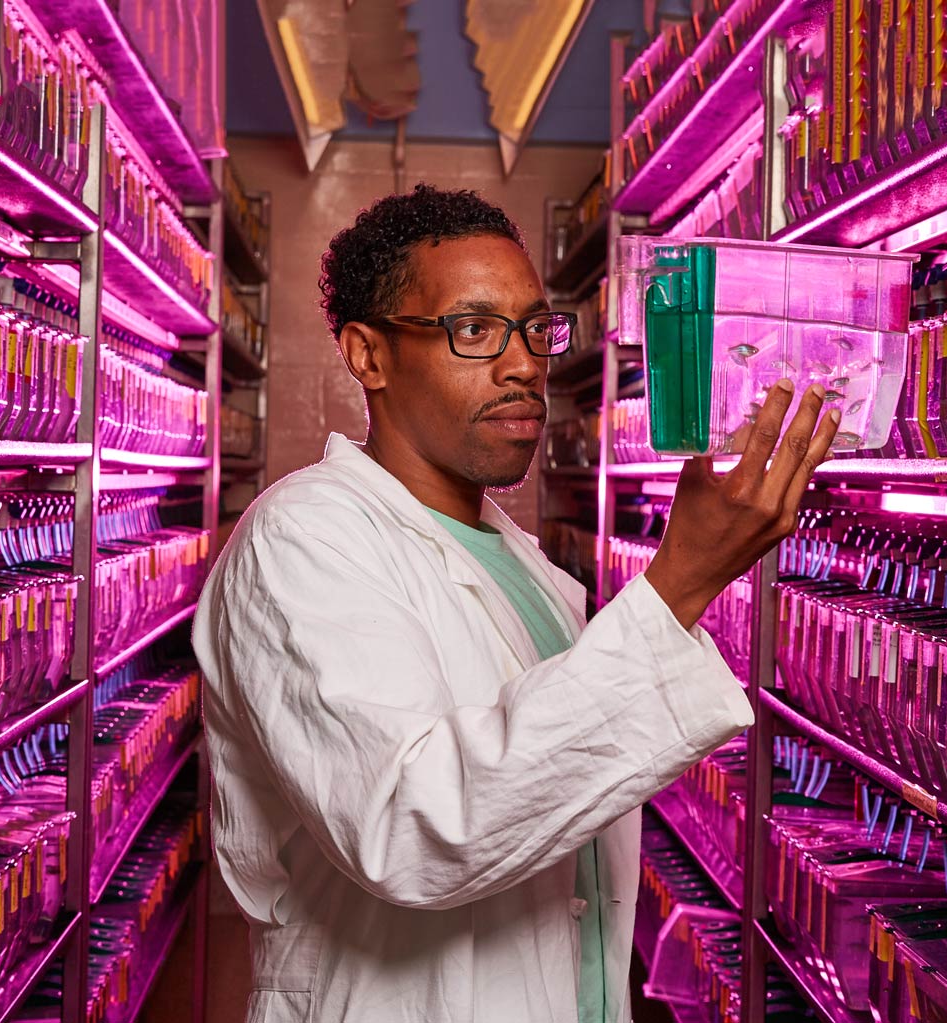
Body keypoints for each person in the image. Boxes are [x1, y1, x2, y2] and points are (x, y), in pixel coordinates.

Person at [192, 183, 840, 1023]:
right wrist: (680, 584)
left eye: (536, 329)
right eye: (474, 329)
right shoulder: (301, 540)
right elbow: (414, 826)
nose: (524, 364)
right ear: (368, 355)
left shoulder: (519, 561)